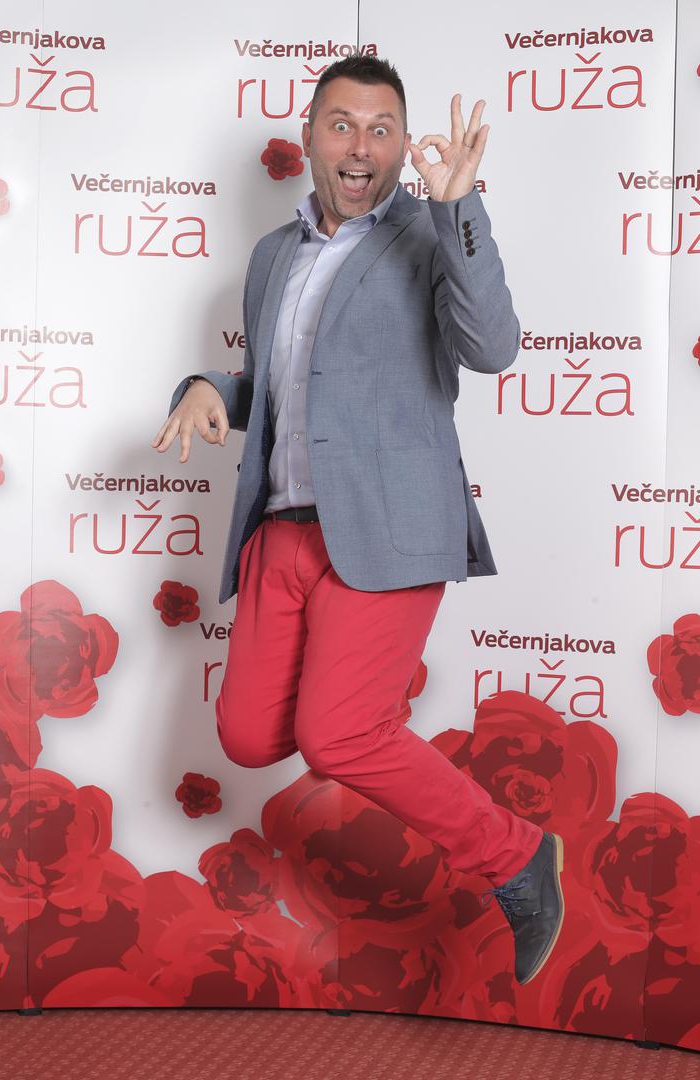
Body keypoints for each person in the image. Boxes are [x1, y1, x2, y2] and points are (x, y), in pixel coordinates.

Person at [151, 56, 563, 986]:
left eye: (381, 129)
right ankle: (363, 715)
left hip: (387, 526)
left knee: (337, 734)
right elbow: (283, 389)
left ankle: (515, 856)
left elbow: (492, 347)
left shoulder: (427, 233)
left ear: (401, 146)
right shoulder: (273, 255)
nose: (360, 145)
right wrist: (209, 389)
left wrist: (459, 207)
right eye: (342, 124)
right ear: (309, 136)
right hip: (281, 528)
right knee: (250, 736)